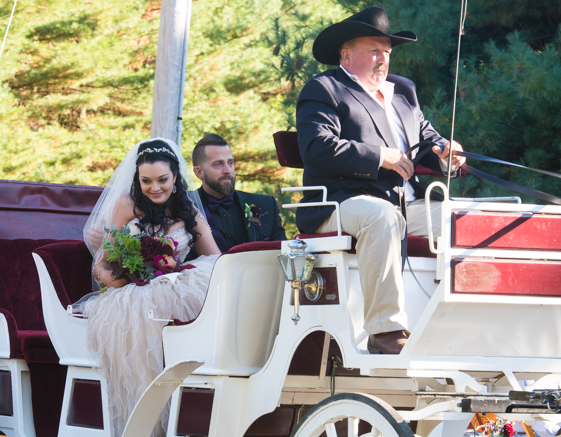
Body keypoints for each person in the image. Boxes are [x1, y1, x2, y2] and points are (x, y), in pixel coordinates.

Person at [296, 6, 466, 355]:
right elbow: (317, 148)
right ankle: (384, 331)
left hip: (404, 202)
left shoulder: (402, 93)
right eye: (373, 50)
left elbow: (429, 141)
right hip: (339, 201)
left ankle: (460, 321)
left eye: (386, 52)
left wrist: (448, 153)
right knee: (381, 217)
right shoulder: (324, 89)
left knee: (462, 219)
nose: (382, 59)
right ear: (346, 55)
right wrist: (380, 155)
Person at [78, 138, 221, 437]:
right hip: (133, 292)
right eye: (146, 181)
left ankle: (192, 418)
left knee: (206, 291)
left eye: (162, 180)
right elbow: (101, 266)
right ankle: (147, 433)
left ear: (175, 177)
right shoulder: (127, 205)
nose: (155, 187)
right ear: (137, 179)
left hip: (177, 287)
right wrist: (127, 278)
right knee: (143, 322)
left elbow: (217, 260)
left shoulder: (189, 211)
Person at [188, 133, 287, 252]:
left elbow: (283, 253)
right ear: (199, 172)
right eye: (218, 164)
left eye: (230, 163)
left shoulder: (266, 205)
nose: (228, 170)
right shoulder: (184, 207)